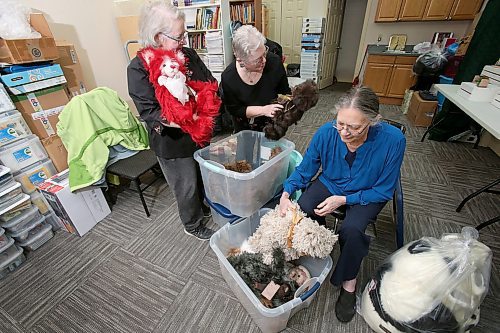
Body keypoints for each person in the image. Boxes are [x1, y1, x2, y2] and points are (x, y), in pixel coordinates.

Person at [279, 86, 406, 323]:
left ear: (372, 121)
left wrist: (345, 200)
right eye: (340, 124)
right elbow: (306, 169)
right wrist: (286, 193)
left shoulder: (393, 140)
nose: (344, 132)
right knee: (305, 205)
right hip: (332, 182)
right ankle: (321, 242)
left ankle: (349, 281)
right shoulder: (327, 133)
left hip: (368, 191)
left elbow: (384, 189)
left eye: (354, 127)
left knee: (353, 230)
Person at [127, 1, 215, 240]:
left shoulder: (186, 54)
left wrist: (206, 105)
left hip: (199, 131)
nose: (184, 41)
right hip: (172, 140)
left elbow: (208, 82)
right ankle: (192, 223)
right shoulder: (138, 69)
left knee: (201, 175)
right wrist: (190, 117)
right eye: (179, 36)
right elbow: (151, 112)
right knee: (185, 185)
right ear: (157, 37)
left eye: (184, 34)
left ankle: (203, 207)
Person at [220, 25, 291, 133]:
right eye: (257, 60)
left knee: (272, 149)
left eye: (264, 54)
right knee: (246, 149)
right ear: (240, 60)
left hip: (272, 125)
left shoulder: (274, 63)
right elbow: (235, 110)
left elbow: (285, 94)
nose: (264, 61)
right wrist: (263, 110)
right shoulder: (229, 77)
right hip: (244, 127)